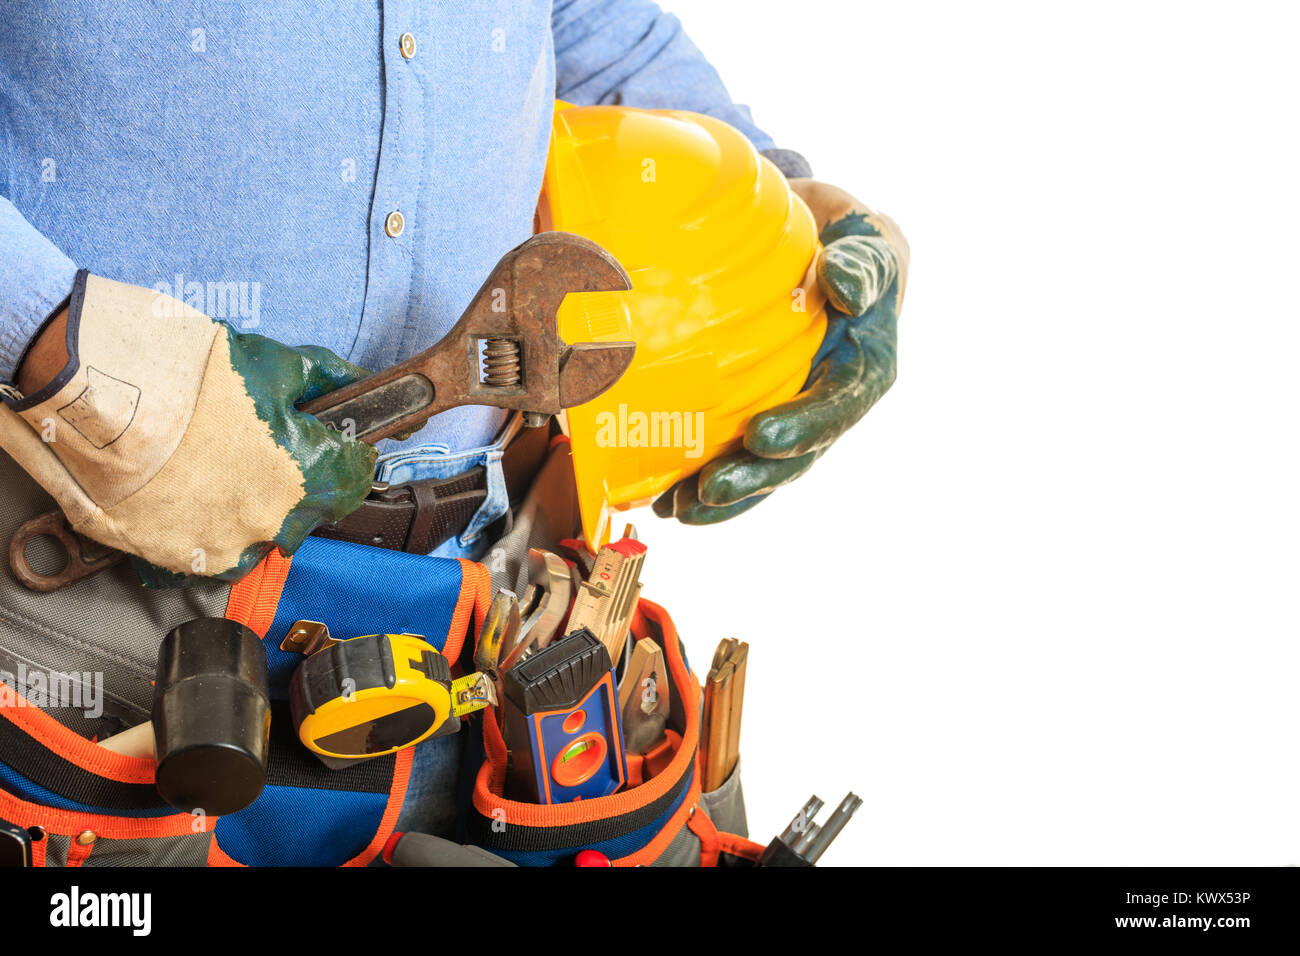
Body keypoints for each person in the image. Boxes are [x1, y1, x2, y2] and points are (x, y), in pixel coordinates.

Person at [0, 1, 906, 849]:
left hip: (491, 607)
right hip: (78, 591)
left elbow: (585, 19)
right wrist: (53, 343)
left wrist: (783, 216)